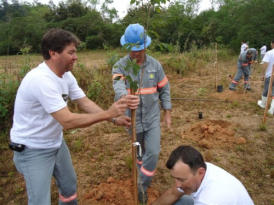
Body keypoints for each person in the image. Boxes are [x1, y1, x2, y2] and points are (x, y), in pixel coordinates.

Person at [9, 28, 140, 205]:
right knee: (40, 201)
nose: (75, 57)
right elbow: (68, 121)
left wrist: (113, 119)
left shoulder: (66, 76)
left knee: (69, 187)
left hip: (55, 143)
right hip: (32, 149)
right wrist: (107, 113)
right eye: (71, 52)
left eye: (75, 52)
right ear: (53, 54)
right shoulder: (41, 80)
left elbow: (84, 102)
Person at [112, 23, 172, 204]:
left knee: (153, 152)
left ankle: (141, 187)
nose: (137, 53)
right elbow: (118, 85)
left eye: (140, 49)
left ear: (146, 46)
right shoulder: (120, 66)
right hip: (133, 120)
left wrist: (167, 113)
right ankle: (140, 170)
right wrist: (125, 97)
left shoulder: (155, 65)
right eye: (133, 49)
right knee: (139, 152)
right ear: (126, 47)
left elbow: (164, 89)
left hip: (152, 118)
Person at [152, 145, 254, 205]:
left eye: (182, 180)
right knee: (180, 201)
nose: (177, 184)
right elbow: (173, 194)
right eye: (175, 178)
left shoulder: (210, 199)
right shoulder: (202, 168)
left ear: (200, 173)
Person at [257, 39, 274, 114]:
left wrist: (262, 74)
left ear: (272, 44)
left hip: (270, 75)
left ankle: (263, 104)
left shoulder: (269, 53)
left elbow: (265, 64)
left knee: (266, 90)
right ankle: (272, 109)